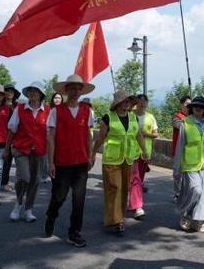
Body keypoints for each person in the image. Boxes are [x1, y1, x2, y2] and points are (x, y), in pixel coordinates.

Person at [45, 74, 95, 247]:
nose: (76, 91)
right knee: (59, 197)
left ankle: (74, 232)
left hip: (81, 162)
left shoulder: (87, 111)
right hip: (62, 162)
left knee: (79, 199)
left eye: (78, 88)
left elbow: (89, 137)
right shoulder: (55, 111)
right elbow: (51, 137)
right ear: (66, 90)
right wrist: (50, 162)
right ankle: (51, 216)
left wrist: (90, 155)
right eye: (72, 88)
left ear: (82, 91)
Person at [91, 90, 147, 234]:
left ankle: (117, 217)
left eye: (128, 101)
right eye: (124, 101)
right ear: (118, 103)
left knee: (123, 189)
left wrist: (144, 150)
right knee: (114, 187)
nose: (127, 104)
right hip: (111, 159)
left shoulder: (132, 118)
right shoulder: (108, 118)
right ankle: (117, 220)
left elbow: (138, 135)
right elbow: (100, 138)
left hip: (128, 159)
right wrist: (92, 153)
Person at [173, 96, 204, 233]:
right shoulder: (185, 124)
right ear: (192, 108)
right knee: (196, 190)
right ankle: (187, 214)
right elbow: (180, 146)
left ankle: (198, 221)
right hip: (190, 166)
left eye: (201, 107)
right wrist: (177, 168)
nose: (198, 109)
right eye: (195, 106)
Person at [4, 81, 49, 223]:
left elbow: (52, 133)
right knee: (24, 177)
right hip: (21, 148)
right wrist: (6, 149)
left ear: (41, 94)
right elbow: (12, 130)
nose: (33, 93)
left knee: (35, 180)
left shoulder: (48, 110)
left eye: (35, 91)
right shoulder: (20, 109)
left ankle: (29, 208)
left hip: (39, 150)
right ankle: (18, 204)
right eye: (30, 90)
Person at [132, 94, 158, 193]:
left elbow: (156, 134)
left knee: (140, 174)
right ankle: (135, 192)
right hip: (131, 150)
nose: (142, 103)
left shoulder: (150, 117)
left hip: (145, 151)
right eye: (140, 101)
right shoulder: (130, 115)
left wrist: (146, 134)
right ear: (136, 102)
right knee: (133, 174)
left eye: (144, 101)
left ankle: (137, 191)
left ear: (147, 103)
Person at [1, 84, 21, 192]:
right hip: (0, 135)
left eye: (11, 91)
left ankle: (4, 182)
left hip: (13, 136)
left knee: (8, 160)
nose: (9, 93)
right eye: (7, 91)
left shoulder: (17, 106)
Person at [40, 92, 63, 184]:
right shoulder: (47, 109)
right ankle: (44, 175)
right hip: (47, 136)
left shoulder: (64, 110)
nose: (57, 99)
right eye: (55, 98)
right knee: (45, 157)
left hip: (60, 138)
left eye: (59, 98)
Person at [171, 95, 191, 203]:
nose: (188, 107)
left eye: (190, 105)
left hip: (190, 151)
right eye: (187, 105)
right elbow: (179, 126)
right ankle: (177, 193)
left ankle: (187, 193)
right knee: (178, 173)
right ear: (182, 105)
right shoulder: (177, 117)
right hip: (179, 150)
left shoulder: (194, 117)